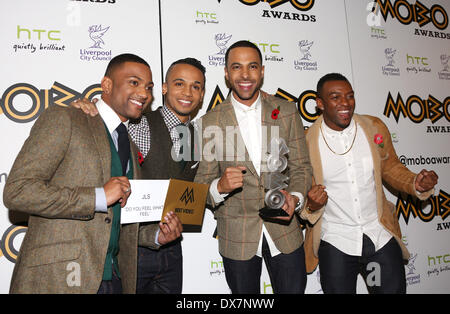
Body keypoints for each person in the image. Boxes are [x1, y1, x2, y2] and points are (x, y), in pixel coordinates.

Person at [3, 53, 182, 294]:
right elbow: (18, 191)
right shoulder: (65, 118)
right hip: (58, 277)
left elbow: (114, 221)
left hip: (114, 279)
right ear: (107, 85)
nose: (144, 93)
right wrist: (98, 197)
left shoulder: (127, 140)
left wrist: (157, 236)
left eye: (148, 87)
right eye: (133, 82)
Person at [72, 57, 205, 294]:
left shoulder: (196, 136)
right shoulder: (138, 122)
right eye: (179, 84)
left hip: (171, 245)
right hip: (132, 246)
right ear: (163, 89)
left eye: (196, 86)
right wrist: (90, 106)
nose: (188, 92)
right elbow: (108, 119)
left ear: (203, 94)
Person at [301, 73, 438, 294]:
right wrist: (311, 206)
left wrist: (416, 183)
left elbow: (392, 168)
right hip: (336, 241)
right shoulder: (307, 142)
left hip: (378, 237)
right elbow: (301, 192)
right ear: (320, 104)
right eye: (335, 97)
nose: (345, 103)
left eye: (350, 96)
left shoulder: (373, 127)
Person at [194, 40, 312, 294]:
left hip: (286, 233)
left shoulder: (287, 111)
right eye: (237, 67)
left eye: (252, 67)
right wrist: (219, 187)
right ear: (226, 73)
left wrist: (297, 197)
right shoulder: (209, 122)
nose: (245, 75)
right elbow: (200, 184)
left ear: (262, 71)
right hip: (237, 238)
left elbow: (302, 168)